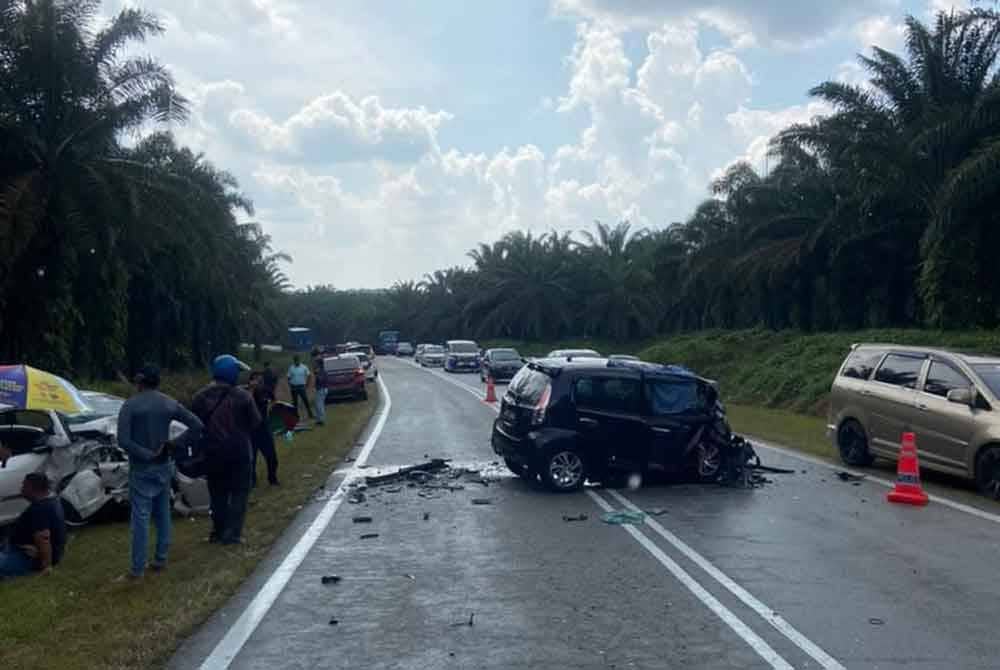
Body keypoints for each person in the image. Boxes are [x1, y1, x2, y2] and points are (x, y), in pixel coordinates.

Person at [117, 364, 203, 578]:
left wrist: (147, 454)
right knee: (163, 512)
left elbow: (123, 440)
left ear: (139, 381)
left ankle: (137, 569)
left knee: (141, 518)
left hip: (142, 467)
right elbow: (197, 426)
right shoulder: (169, 402)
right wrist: (173, 445)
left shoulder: (130, 405)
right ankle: (161, 558)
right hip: (165, 465)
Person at [193, 355, 261, 545]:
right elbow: (255, 422)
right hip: (239, 452)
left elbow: (194, 425)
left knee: (217, 494)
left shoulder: (200, 396)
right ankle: (232, 534)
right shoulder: (243, 396)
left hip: (212, 452)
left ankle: (218, 531)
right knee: (239, 493)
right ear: (231, 373)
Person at [0, 473, 66, 579]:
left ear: (31, 487)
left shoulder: (40, 509)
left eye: (24, 486)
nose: (21, 489)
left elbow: (44, 538)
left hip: (25, 557)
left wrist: (46, 565)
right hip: (18, 549)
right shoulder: (52, 501)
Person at [248, 371, 279, 486]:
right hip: (251, 430)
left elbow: (273, 399)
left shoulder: (266, 390)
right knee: (251, 459)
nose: (259, 383)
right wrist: (251, 389)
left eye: (261, 381)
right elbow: (246, 403)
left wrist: (271, 407)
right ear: (251, 381)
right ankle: (252, 482)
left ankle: (272, 479)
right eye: (256, 380)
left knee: (272, 457)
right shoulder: (246, 392)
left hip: (264, 428)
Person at [287, 355, 313, 419]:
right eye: (295, 361)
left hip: (302, 386)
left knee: (305, 400)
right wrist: (290, 384)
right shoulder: (291, 368)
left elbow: (309, 375)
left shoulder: (304, 367)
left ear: (299, 360)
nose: (296, 362)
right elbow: (288, 377)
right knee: (295, 402)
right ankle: (296, 415)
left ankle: (310, 414)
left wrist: (307, 383)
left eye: (297, 361)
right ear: (294, 361)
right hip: (294, 387)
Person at [313, 357, 328, 426]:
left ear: (319, 364)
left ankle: (321, 420)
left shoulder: (321, 371)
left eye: (316, 363)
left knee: (319, 405)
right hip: (321, 389)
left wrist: (316, 374)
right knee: (317, 405)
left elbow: (321, 379)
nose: (315, 364)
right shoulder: (321, 370)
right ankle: (319, 419)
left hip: (321, 389)